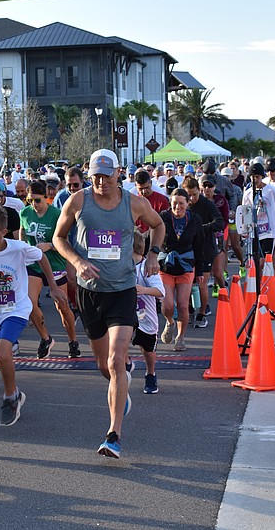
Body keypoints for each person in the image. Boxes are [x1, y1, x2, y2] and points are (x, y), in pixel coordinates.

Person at [53, 149, 164, 459]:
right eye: (96, 175)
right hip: (90, 293)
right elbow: (59, 238)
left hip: (123, 290)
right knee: (104, 366)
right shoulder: (78, 201)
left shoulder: (134, 203)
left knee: (116, 361)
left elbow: (158, 225)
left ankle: (113, 435)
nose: (101, 180)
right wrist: (76, 260)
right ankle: (122, 387)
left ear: (119, 173)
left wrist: (153, 254)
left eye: (107, 174)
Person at [0, 204, 67, 426]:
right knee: (1, 356)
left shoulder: (18, 248)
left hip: (16, 309)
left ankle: (10, 398)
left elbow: (41, 257)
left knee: (1, 353)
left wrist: (54, 286)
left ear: (2, 232)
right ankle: (15, 393)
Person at [19, 180, 78, 359]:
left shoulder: (56, 214)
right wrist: (23, 246)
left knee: (62, 307)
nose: (34, 205)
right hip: (34, 264)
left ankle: (72, 341)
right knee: (29, 303)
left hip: (54, 264)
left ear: (46, 198)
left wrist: (50, 245)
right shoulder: (25, 212)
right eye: (30, 201)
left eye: (37, 201)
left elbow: (65, 239)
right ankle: (46, 338)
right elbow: (22, 230)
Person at [158, 189, 205, 352]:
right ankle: (169, 321)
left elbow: (200, 245)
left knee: (184, 305)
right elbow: (154, 238)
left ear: (187, 203)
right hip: (166, 265)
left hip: (186, 265)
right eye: (174, 203)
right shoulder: (163, 217)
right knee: (168, 304)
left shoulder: (194, 219)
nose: (177, 207)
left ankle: (181, 337)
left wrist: (200, 271)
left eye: (181, 204)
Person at [182, 176, 223, 329]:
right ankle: (191, 309)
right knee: (188, 283)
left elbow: (220, 222)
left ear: (199, 191)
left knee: (201, 283)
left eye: (194, 194)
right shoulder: (182, 204)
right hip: (187, 249)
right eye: (188, 195)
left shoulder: (207, 204)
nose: (191, 198)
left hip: (206, 249)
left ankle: (203, 313)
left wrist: (202, 229)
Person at [130, 231, 165, 394]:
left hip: (144, 315)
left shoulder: (146, 267)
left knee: (147, 350)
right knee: (118, 340)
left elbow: (160, 291)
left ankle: (150, 374)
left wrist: (144, 290)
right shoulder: (121, 266)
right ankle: (125, 363)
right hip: (126, 312)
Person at [242, 163, 275, 275]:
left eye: (257, 177)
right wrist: (245, 230)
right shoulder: (247, 193)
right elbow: (244, 212)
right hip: (255, 232)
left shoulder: (271, 190)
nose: (255, 179)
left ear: (262, 177)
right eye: (253, 177)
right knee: (256, 262)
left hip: (269, 231)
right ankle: (259, 287)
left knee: (265, 261)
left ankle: (270, 284)